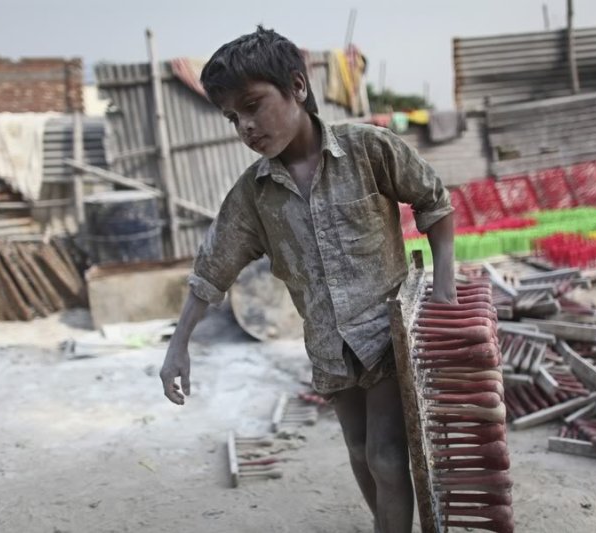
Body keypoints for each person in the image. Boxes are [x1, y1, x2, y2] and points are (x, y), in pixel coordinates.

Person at [160, 26, 456, 533]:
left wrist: (444, 286)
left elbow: (434, 202)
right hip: (327, 347)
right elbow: (212, 269)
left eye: (253, 105)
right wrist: (178, 344)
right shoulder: (252, 196)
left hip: (387, 334)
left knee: (387, 456)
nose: (246, 126)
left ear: (297, 87)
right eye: (233, 117)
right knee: (360, 453)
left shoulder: (367, 150)